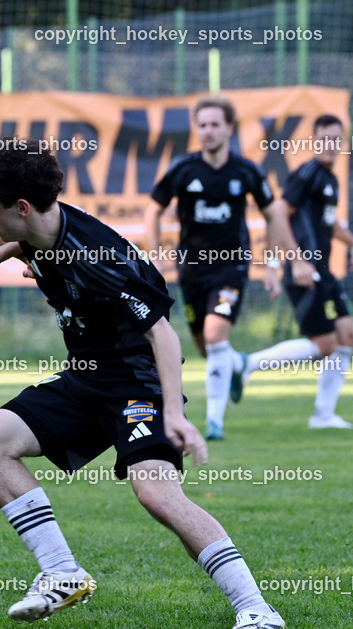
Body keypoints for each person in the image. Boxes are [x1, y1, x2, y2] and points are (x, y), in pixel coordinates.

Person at [0, 138, 284, 629]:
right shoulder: (43, 225)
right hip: (86, 376)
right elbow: (36, 243)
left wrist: (174, 414)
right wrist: (1, 252)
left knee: (155, 491)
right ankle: (61, 571)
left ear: (21, 207)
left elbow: (162, 331)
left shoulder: (99, 258)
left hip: (139, 381)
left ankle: (257, 609)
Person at [144, 95, 314, 440]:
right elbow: (153, 210)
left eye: (214, 125)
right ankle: (237, 364)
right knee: (207, 348)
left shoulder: (246, 171)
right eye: (202, 125)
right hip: (191, 270)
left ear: (229, 128)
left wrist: (273, 263)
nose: (207, 131)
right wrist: (156, 252)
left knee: (214, 334)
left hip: (231, 267)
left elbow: (273, 216)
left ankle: (214, 423)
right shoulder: (183, 169)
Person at [237, 114, 353, 428]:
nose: (330, 145)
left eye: (336, 139)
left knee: (347, 336)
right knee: (325, 344)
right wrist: (294, 261)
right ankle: (248, 364)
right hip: (305, 270)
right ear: (314, 141)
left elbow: (330, 226)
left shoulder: (331, 179)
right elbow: (278, 214)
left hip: (323, 271)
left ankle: (324, 415)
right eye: (324, 138)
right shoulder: (308, 174)